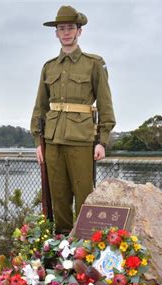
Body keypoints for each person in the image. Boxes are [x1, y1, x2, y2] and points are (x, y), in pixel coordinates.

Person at [30, 6, 116, 234]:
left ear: (79, 32)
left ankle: (85, 245)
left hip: (81, 139)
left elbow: (106, 104)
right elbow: (40, 106)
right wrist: (38, 142)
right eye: (61, 28)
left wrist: (102, 141)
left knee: (85, 195)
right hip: (53, 140)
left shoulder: (94, 63)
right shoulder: (49, 67)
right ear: (56, 33)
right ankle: (62, 249)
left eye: (70, 28)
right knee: (57, 196)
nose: (66, 32)